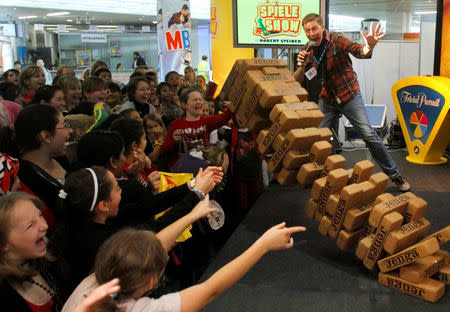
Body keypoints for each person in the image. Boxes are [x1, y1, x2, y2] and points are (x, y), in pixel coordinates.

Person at [62, 217, 306, 312]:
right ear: (151, 281)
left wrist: (193, 212)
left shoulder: (93, 282)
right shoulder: (144, 310)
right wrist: (262, 244)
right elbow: (212, 288)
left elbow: (145, 250)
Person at [294, 13, 410, 191]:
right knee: (322, 139)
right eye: (307, 30)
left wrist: (369, 47)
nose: (311, 33)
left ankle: (395, 175)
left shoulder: (337, 39)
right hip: (328, 98)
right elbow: (297, 79)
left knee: (369, 135)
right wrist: (301, 65)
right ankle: (332, 175)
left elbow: (359, 51)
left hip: (348, 94)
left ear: (322, 27)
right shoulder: (308, 49)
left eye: (314, 29)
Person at [0, 192, 72, 311]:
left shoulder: (45, 260)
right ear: (3, 244)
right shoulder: (5, 297)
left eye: (40, 215)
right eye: (30, 226)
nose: (44, 226)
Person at [162, 88, 233, 168]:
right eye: (195, 100)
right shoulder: (175, 124)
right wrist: (174, 141)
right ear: (184, 105)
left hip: (201, 169)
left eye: (200, 99)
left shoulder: (207, 121)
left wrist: (236, 101)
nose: (199, 102)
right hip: (181, 172)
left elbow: (225, 117)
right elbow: (164, 150)